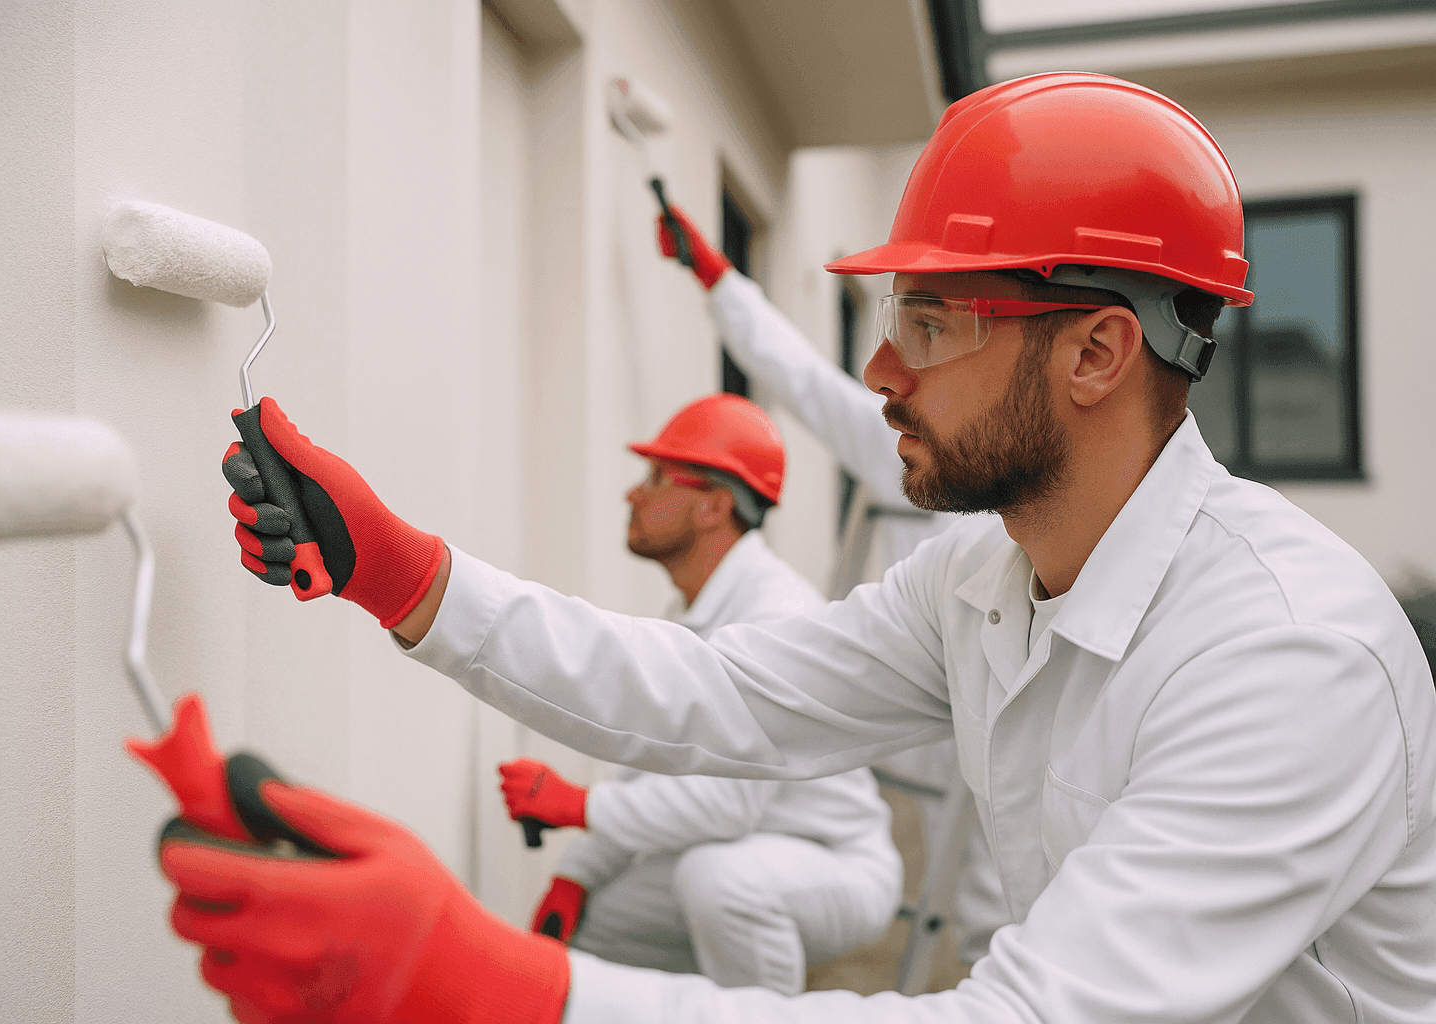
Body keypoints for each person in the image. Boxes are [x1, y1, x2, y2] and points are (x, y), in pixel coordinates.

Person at [168, 72, 1436, 1024]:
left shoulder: (1288, 657)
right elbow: (720, 694)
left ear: (1097, 352)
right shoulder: (981, 583)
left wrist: (513, 987)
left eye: (930, 321)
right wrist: (413, 578)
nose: (880, 373)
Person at [654, 201, 1010, 966]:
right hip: (928, 701)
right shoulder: (913, 441)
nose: (892, 371)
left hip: (1003, 707)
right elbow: (804, 381)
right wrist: (717, 278)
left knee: (1001, 887)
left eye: (933, 330)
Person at [497, 393, 901, 995]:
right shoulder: (697, 612)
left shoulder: (774, 617)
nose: (634, 493)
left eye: (657, 477)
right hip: (739, 847)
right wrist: (575, 878)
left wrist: (577, 805)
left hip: (834, 860)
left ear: (713, 506)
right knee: (600, 930)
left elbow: (725, 807)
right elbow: (652, 762)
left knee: (717, 881)